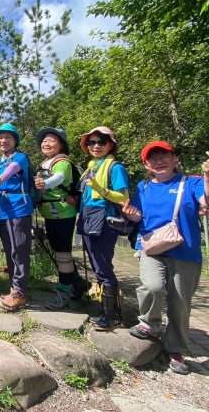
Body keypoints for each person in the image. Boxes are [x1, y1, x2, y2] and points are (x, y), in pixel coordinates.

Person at [122, 142, 209, 375]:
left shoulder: (191, 182)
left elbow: (207, 201)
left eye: (164, 156)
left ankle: (175, 348)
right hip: (152, 248)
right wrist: (132, 215)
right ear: (146, 165)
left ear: (174, 159)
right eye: (152, 158)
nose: (159, 161)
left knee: (180, 304)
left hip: (186, 251)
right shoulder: (143, 187)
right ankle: (151, 324)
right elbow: (138, 217)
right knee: (152, 286)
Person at [78, 126, 130, 331]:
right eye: (91, 142)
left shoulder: (115, 168)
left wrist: (100, 189)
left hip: (104, 219)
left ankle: (111, 316)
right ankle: (106, 311)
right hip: (88, 216)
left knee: (103, 266)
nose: (96, 146)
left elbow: (123, 197)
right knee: (96, 265)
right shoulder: (92, 166)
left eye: (101, 142)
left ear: (110, 145)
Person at [34, 128, 88, 310]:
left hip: (63, 212)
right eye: (44, 141)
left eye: (51, 141)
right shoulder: (46, 162)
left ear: (61, 145)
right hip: (50, 212)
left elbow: (59, 178)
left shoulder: (62, 161)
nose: (46, 144)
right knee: (58, 251)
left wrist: (44, 183)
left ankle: (62, 293)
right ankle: (78, 282)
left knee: (63, 253)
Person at [0, 123, 33, 311]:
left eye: (8, 137)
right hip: (2, 209)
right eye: (0, 137)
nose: (3, 141)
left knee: (19, 249)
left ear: (15, 141)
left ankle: (20, 293)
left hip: (18, 208)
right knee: (9, 248)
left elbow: (11, 170)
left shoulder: (20, 157)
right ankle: (15, 288)